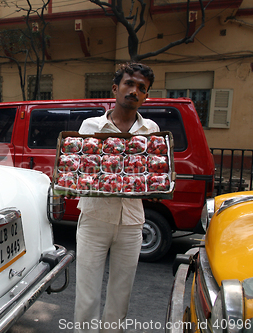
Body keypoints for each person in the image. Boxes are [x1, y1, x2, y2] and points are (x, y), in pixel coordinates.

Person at [74, 62, 159, 333]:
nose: (134, 91)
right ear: (115, 88)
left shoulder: (150, 130)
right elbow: (80, 169)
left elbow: (155, 172)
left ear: (146, 96)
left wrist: (157, 186)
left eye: (141, 88)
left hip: (132, 222)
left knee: (121, 295)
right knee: (87, 295)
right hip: (94, 219)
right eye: (129, 84)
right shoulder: (91, 126)